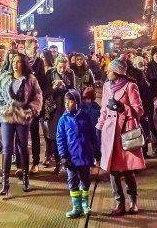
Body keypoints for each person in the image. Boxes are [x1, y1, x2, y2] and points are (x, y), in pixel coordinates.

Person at [98, 58, 145, 216]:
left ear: (118, 72)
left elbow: (139, 110)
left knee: (127, 170)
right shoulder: (106, 86)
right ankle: (119, 201)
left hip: (125, 132)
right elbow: (104, 109)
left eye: (110, 70)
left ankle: (133, 201)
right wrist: (100, 126)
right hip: (110, 132)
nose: (107, 72)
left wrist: (121, 107)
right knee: (113, 170)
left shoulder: (131, 86)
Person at [0, 51, 43, 196]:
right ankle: (5, 182)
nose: (15, 64)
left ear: (23, 63)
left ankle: (26, 180)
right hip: (7, 118)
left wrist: (30, 110)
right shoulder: (4, 77)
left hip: (22, 118)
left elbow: (38, 96)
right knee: (7, 149)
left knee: (23, 148)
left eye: (18, 61)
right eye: (13, 61)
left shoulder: (30, 79)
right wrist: (3, 108)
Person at [57, 89, 99, 218]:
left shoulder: (85, 117)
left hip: (85, 156)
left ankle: (85, 203)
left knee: (85, 180)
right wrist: (63, 156)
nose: (67, 103)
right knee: (72, 181)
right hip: (71, 157)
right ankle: (76, 207)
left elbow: (93, 135)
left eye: (70, 101)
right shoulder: (63, 120)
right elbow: (60, 138)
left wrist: (97, 151)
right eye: (65, 101)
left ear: (77, 102)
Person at [25, 39, 51, 172]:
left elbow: (44, 83)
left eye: (37, 47)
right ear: (28, 47)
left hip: (34, 103)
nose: (36, 49)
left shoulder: (40, 62)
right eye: (35, 47)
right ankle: (21, 162)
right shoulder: (21, 60)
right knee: (21, 134)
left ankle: (35, 162)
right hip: (22, 103)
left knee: (34, 132)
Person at [44, 76, 69, 172]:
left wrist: (64, 87)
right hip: (53, 116)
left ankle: (65, 162)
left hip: (64, 115)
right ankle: (58, 163)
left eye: (64, 67)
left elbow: (73, 93)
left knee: (65, 140)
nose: (62, 69)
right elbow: (46, 95)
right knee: (54, 141)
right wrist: (54, 88)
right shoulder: (50, 75)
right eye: (60, 67)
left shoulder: (69, 75)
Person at [81, 86, 102, 166]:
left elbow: (101, 115)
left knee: (96, 145)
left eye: (90, 98)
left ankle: (97, 158)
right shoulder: (81, 107)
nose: (88, 100)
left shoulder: (96, 106)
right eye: (86, 98)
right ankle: (89, 159)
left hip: (94, 128)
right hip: (85, 129)